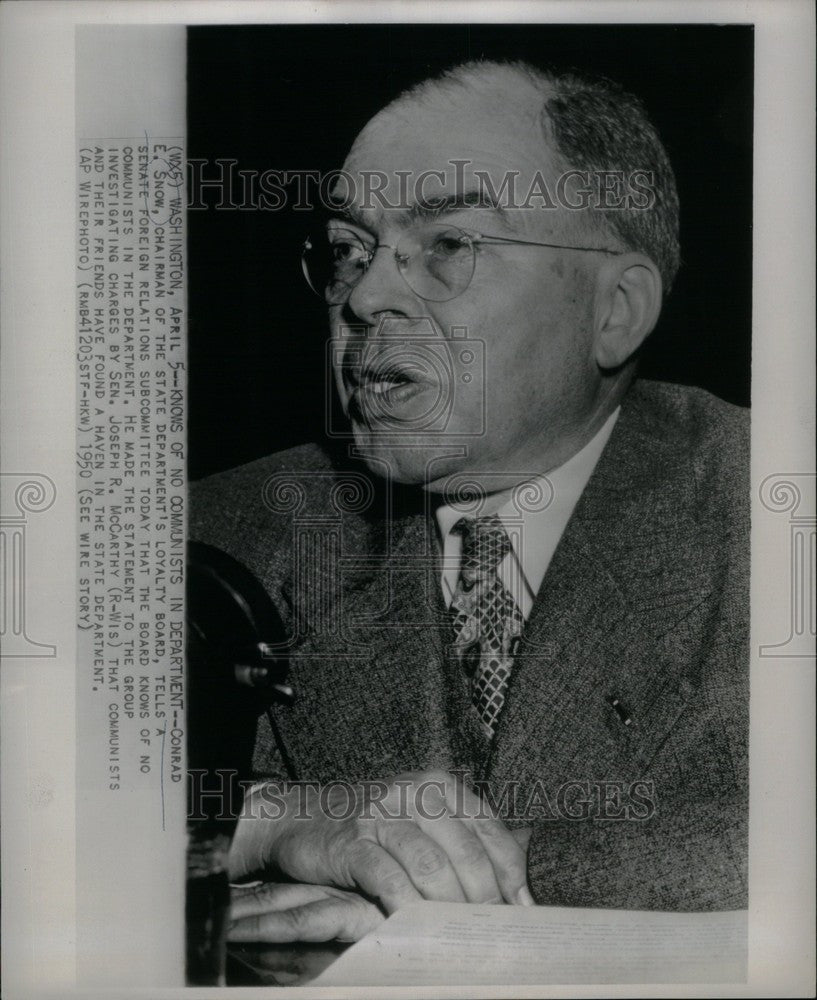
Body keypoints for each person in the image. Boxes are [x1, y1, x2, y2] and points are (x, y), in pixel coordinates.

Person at [190, 60, 749, 944]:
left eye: (447, 246)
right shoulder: (203, 537)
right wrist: (271, 819)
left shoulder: (765, 508)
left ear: (617, 311)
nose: (365, 297)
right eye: (347, 249)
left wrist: (463, 877)